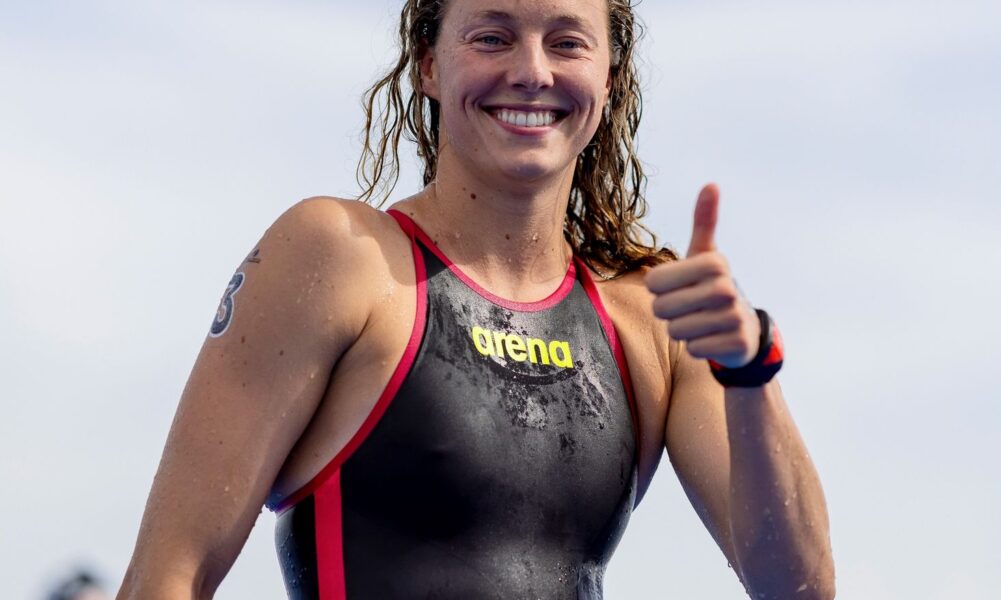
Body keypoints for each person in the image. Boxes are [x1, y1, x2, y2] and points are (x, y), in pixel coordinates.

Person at [117, 0, 833, 597]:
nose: (531, 71)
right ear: (429, 64)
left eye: (566, 42)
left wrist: (750, 367)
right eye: (492, 37)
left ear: (609, 77)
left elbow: (798, 589)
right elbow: (167, 579)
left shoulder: (647, 321)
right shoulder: (340, 259)